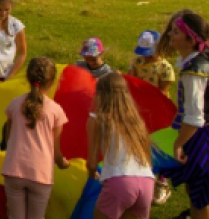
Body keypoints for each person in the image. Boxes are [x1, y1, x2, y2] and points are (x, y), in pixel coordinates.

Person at [0, 57, 70, 219]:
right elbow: (56, 153)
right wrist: (64, 163)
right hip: (41, 174)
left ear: (28, 78)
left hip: (14, 169)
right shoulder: (56, 111)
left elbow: (9, 138)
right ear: (52, 81)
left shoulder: (15, 104)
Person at [160, 12, 209, 219]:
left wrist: (178, 143)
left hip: (199, 136)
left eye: (176, 31)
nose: (170, 34)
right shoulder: (196, 61)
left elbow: (195, 117)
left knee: (199, 193)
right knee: (195, 190)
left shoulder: (193, 71)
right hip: (197, 133)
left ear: (191, 39)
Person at [86, 72, 155, 219]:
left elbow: (92, 163)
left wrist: (93, 173)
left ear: (100, 95)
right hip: (146, 181)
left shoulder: (97, 119)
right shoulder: (136, 122)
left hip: (120, 182)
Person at [127, 29, 176, 205]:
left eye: (149, 54)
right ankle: (144, 178)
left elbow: (162, 92)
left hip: (158, 112)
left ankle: (162, 182)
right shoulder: (137, 62)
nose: (146, 58)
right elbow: (131, 82)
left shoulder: (165, 68)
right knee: (141, 143)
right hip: (139, 110)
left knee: (159, 144)